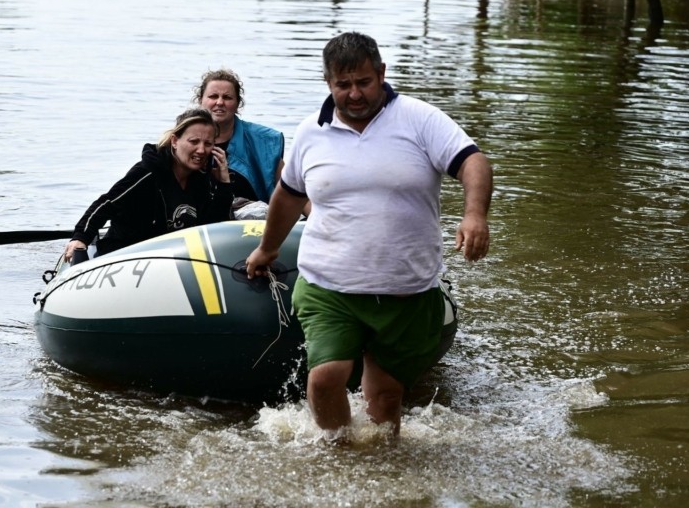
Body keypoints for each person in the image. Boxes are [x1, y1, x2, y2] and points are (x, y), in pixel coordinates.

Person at [245, 32, 493, 438]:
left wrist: (474, 216)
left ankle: (382, 467)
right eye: (343, 85)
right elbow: (288, 197)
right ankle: (337, 457)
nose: (354, 94)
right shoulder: (312, 131)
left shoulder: (419, 119)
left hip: (406, 292)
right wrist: (267, 249)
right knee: (326, 378)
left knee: (385, 399)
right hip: (329, 284)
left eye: (363, 82)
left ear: (381, 73)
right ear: (329, 83)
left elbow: (473, 162)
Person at [63, 107, 232, 261]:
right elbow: (106, 204)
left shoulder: (202, 179)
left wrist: (224, 183)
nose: (201, 150)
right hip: (123, 259)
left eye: (208, 144)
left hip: (172, 261)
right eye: (194, 141)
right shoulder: (148, 172)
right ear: (174, 141)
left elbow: (212, 228)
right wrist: (80, 238)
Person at [194, 69, 284, 206]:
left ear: (238, 104)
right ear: (201, 101)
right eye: (213, 96)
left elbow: (293, 191)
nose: (219, 102)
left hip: (254, 219)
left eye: (227, 97)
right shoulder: (182, 138)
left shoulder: (265, 142)